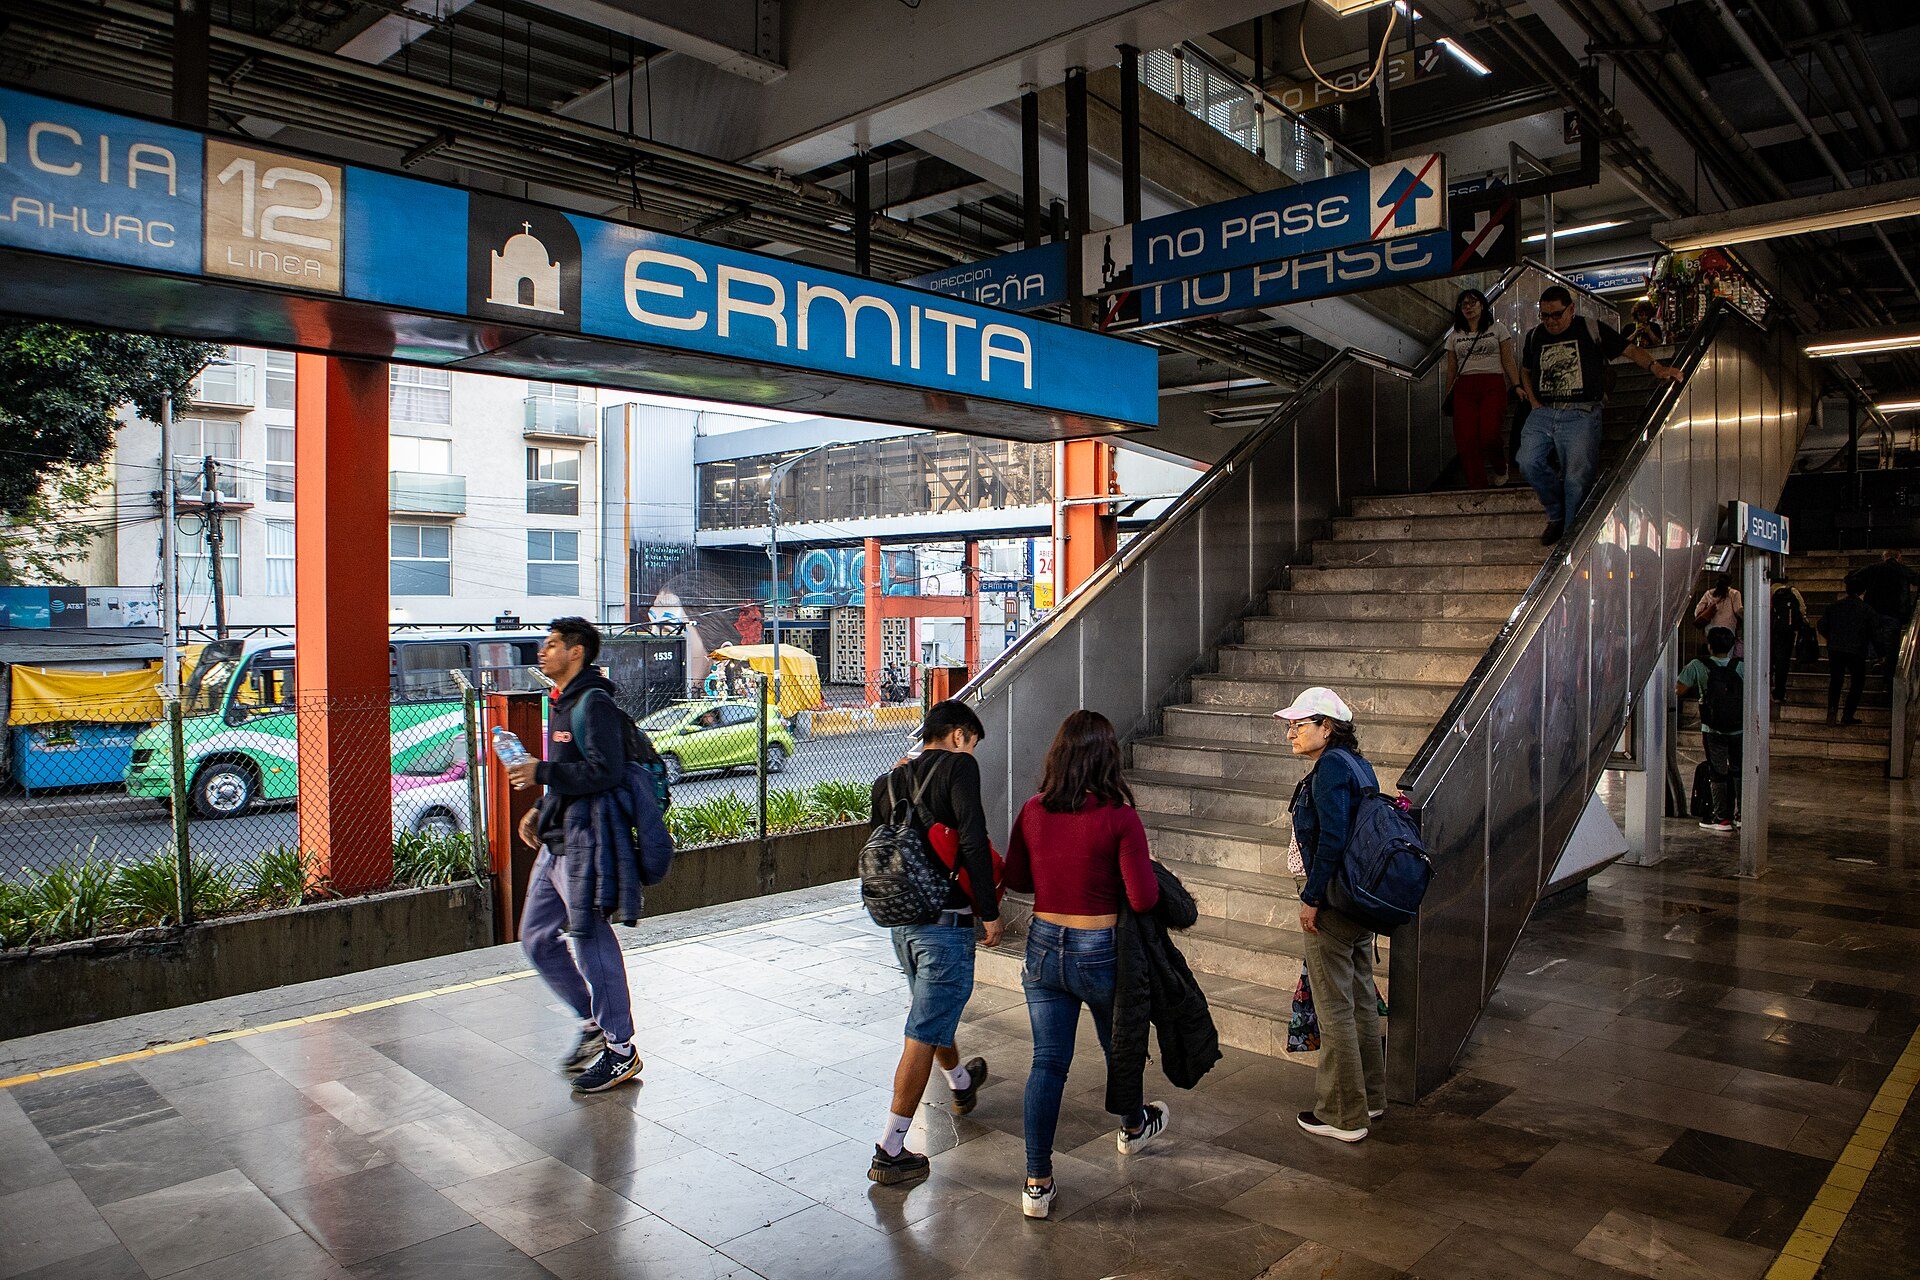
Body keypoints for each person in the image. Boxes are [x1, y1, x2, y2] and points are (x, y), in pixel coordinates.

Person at [1003, 710, 1169, 1219]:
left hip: (1043, 945)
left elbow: (1017, 879)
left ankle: (1037, 1183)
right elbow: (1143, 898)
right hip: (1099, 950)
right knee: (1118, 1045)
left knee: (1047, 1063)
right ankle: (1133, 1126)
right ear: (1107, 758)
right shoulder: (1120, 817)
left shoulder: (1033, 810)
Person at [508, 617, 648, 1094]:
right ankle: (592, 1024)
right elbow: (569, 769)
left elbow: (606, 772)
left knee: (589, 936)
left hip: (584, 842)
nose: (543, 651)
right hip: (556, 840)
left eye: (552, 645)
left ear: (576, 652)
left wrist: (542, 772)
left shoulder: (594, 704)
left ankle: (620, 1049)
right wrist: (539, 808)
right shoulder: (562, 702)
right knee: (536, 938)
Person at [866, 700, 1003, 1186]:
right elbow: (973, 839)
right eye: (972, 743)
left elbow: (880, 847)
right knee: (923, 1029)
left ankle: (960, 1083)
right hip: (945, 923)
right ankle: (891, 1149)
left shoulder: (889, 780)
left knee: (931, 1012)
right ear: (957, 734)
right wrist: (989, 910)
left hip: (902, 923)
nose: (972, 753)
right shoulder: (959, 768)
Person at [1277, 687, 1387, 1143]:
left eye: (1299, 725)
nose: (1291, 734)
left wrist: (1313, 897)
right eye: (1290, 726)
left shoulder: (1330, 770)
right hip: (1357, 900)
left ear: (1327, 727)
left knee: (1334, 1007)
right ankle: (1370, 1097)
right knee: (1360, 998)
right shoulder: (1358, 765)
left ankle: (1343, 1114)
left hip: (1333, 902)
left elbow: (1333, 839)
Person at [1518, 285, 1684, 545]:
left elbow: (1629, 350)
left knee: (1576, 477)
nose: (1550, 321)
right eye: (1545, 315)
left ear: (1571, 310)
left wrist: (1657, 368)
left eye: (1556, 314)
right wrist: (1533, 400)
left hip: (1581, 412)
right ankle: (1557, 513)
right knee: (1527, 460)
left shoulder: (1590, 328)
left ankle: (1571, 536)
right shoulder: (1535, 336)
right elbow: (1526, 370)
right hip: (1544, 411)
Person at [1443, 288, 1522, 489]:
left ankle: (1500, 467)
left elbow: (1508, 360)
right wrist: (1448, 395)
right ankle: (1478, 486)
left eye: (1473, 302)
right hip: (1464, 389)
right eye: (1464, 304)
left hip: (1492, 384)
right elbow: (1451, 368)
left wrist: (1516, 385)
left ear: (1482, 305)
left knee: (1489, 434)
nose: (1468, 307)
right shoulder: (1454, 335)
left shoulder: (1498, 328)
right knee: (1466, 440)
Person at [1677, 627, 1744, 834]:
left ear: (1709, 646)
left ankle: (1721, 818)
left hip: (1712, 729)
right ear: (1731, 646)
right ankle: (1742, 815)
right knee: (1739, 770)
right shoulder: (1741, 666)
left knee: (1717, 772)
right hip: (1739, 728)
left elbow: (1678, 689)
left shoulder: (1698, 665)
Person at [1820, 584, 1877, 727]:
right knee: (1857, 682)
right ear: (1863, 592)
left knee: (1836, 680)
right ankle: (1848, 714)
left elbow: (1822, 625)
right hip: (1856, 650)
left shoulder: (1834, 607)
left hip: (1836, 649)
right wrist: (1879, 652)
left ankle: (1832, 710)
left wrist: (1831, 638)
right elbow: (1874, 632)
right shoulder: (1867, 610)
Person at [1846, 549, 1918, 643]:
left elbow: (1851, 578)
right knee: (1891, 644)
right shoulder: (1903, 569)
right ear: (1899, 557)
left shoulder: (1873, 568)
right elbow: (1917, 580)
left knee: (1872, 642)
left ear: (1884, 557)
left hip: (1873, 611)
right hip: (1895, 613)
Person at [1771, 581, 1811, 703]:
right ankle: (1779, 693)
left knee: (1770, 659)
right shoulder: (1792, 591)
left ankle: (1766, 687)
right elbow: (1802, 610)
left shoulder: (1767, 591)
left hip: (1770, 631)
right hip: (1787, 632)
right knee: (1783, 662)